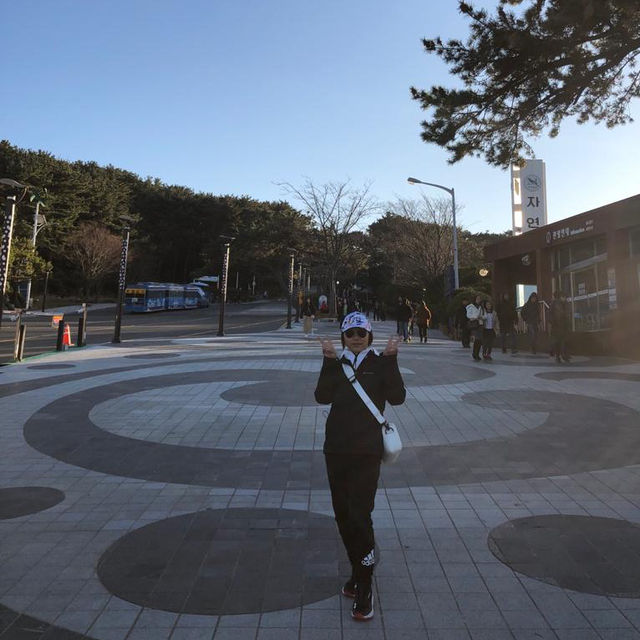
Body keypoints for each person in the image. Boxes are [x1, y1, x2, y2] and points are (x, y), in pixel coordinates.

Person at [315, 312, 406, 621]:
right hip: (337, 450)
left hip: (366, 452)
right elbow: (321, 396)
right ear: (343, 336)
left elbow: (398, 397)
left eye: (361, 332)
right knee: (342, 515)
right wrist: (328, 361)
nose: (355, 337)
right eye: (350, 332)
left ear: (370, 336)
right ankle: (357, 572)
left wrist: (392, 361)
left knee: (360, 515)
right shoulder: (337, 365)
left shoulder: (380, 364)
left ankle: (365, 586)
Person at [549, 291, 572, 363]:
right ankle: (558, 356)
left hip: (564, 326)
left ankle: (564, 356)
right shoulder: (554, 303)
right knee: (558, 342)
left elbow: (568, 314)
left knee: (564, 341)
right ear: (560, 297)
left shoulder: (566, 304)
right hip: (557, 326)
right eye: (563, 297)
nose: (564, 298)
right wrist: (553, 322)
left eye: (565, 297)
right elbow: (550, 314)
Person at [466, 295, 485, 361]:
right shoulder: (471, 306)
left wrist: (482, 317)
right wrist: (475, 317)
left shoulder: (481, 307)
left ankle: (477, 354)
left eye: (480, 298)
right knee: (477, 339)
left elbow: (484, 315)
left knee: (480, 340)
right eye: (477, 298)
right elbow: (468, 315)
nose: (478, 300)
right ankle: (475, 353)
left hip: (480, 324)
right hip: (474, 325)